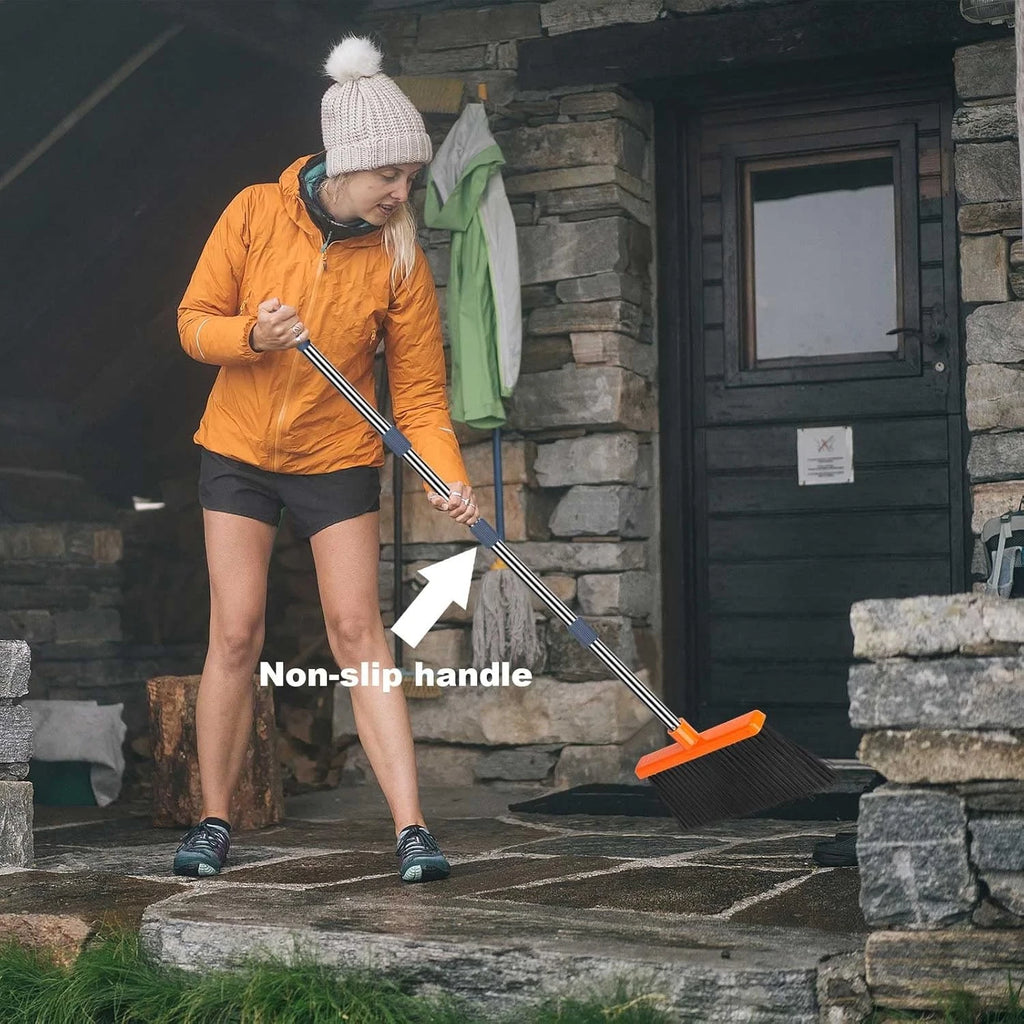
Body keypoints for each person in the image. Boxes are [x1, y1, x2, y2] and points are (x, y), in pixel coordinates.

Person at [171, 35, 477, 883]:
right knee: (236, 631)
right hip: (237, 450)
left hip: (337, 455)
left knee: (358, 631)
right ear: (345, 162)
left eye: (410, 177)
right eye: (390, 175)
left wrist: (448, 474)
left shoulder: (399, 254)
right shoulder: (252, 213)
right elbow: (194, 323)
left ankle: (412, 830)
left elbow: (421, 396)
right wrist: (252, 335)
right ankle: (213, 821)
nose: (401, 193)